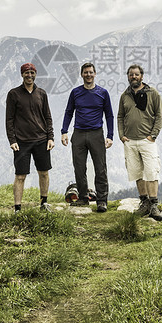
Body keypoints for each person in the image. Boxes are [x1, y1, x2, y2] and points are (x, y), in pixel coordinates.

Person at [61, 62, 114, 213]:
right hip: (78, 134)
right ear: (82, 74)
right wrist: (64, 131)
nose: (88, 75)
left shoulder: (102, 93)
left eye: (91, 72)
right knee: (79, 167)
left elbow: (109, 115)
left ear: (95, 74)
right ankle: (83, 198)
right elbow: (69, 112)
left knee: (100, 168)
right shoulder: (75, 92)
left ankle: (102, 201)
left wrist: (110, 135)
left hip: (97, 133)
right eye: (85, 72)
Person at [116, 64, 162, 221]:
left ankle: (154, 205)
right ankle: (144, 202)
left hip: (147, 141)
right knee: (137, 173)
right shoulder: (125, 95)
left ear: (142, 76)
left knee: (151, 172)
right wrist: (121, 135)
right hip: (130, 141)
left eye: (136, 74)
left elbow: (160, 115)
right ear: (128, 77)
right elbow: (120, 116)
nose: (134, 77)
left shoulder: (153, 93)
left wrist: (153, 135)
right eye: (131, 75)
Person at [5, 62, 55, 212]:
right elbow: (9, 119)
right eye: (26, 72)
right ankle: (17, 209)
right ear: (22, 74)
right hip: (21, 142)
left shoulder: (42, 93)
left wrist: (50, 137)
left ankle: (43, 203)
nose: (29, 75)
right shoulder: (13, 94)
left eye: (32, 72)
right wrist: (12, 140)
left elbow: (48, 117)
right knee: (20, 176)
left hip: (41, 140)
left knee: (44, 172)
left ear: (35, 74)